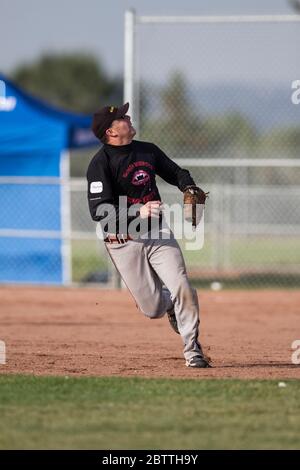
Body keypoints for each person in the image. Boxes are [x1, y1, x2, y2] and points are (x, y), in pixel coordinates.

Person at [87, 102, 211, 368]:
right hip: (122, 241)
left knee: (182, 286)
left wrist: (187, 186)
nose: (128, 118)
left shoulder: (147, 150)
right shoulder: (100, 163)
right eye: (122, 117)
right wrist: (137, 211)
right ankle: (169, 305)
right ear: (110, 131)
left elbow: (176, 172)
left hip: (158, 232)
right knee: (152, 308)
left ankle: (193, 351)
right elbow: (99, 211)